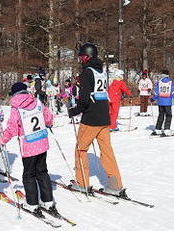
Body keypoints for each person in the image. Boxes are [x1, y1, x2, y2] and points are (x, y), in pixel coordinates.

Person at [68, 43, 126, 196]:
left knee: (81, 149)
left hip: (91, 118)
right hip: (103, 116)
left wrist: (74, 111)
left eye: (81, 57)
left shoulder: (87, 72)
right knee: (107, 151)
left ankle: (82, 183)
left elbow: (85, 99)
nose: (80, 59)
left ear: (86, 56)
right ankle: (115, 184)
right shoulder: (101, 71)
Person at [0, 82, 58, 217]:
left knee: (29, 175)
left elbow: (12, 129)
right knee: (42, 171)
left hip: (28, 147)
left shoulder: (16, 108)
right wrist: (49, 123)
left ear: (15, 94)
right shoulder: (37, 102)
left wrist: (2, 140)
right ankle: (48, 201)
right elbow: (48, 117)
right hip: (41, 143)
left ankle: (32, 204)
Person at [150, 70, 174, 136]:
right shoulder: (170, 83)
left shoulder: (159, 82)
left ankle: (158, 129)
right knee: (168, 115)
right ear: (168, 75)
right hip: (167, 103)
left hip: (160, 102)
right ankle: (166, 129)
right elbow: (173, 93)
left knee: (161, 115)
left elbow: (156, 93)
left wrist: (152, 99)